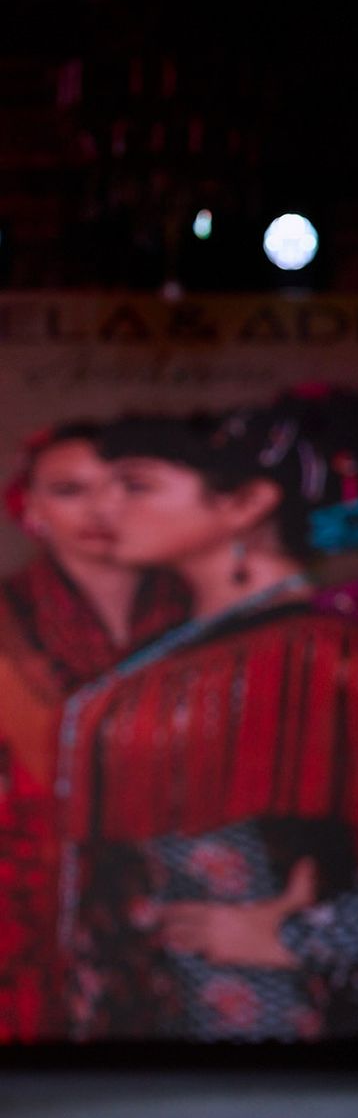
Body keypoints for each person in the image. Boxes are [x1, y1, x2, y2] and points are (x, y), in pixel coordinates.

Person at [54, 387, 358, 1042]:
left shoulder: (337, 657)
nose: (104, 506)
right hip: (133, 1019)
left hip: (271, 1018)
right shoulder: (180, 646)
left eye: (135, 485)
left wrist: (303, 936)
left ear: (246, 503)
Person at [0, 423, 188, 1040]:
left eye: (123, 488)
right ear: (28, 508)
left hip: (182, 903)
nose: (102, 510)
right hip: (29, 903)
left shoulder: (211, 616)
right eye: (69, 490)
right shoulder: (8, 622)